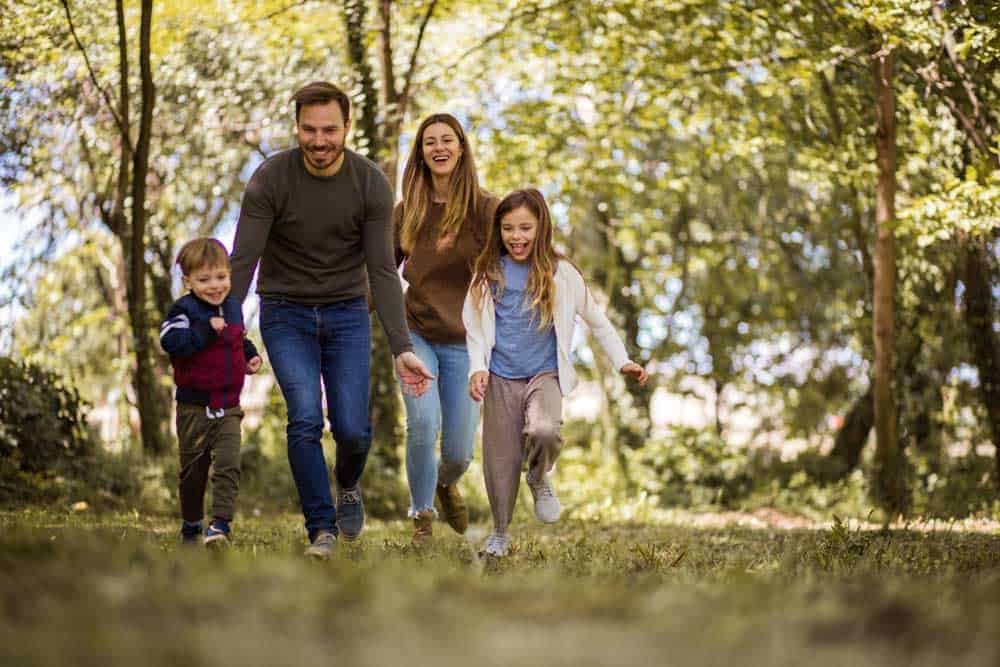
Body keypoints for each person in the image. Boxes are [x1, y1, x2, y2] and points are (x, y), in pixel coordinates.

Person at [229, 81, 433, 559]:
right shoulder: (270, 179)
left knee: (353, 430)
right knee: (303, 418)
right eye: (309, 130)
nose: (319, 141)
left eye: (329, 130)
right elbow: (243, 261)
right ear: (296, 127)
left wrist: (402, 345)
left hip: (346, 312)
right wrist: (230, 325)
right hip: (284, 311)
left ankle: (347, 483)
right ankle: (321, 528)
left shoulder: (369, 184)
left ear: (347, 128)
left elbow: (383, 270)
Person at [463, 188, 648, 558]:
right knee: (500, 462)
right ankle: (499, 534)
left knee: (545, 431)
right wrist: (478, 368)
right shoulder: (488, 274)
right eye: (508, 228)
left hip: (544, 375)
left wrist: (621, 360)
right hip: (500, 376)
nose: (517, 237)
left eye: (525, 228)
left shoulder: (562, 274)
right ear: (498, 231)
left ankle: (538, 475)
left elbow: (597, 322)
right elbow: (474, 328)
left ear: (542, 227)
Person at [393, 113, 498, 544]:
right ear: (420, 153)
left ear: (461, 148)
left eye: (447, 140)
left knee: (457, 451)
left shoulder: (486, 209)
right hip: (417, 331)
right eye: (429, 142)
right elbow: (381, 273)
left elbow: (513, 259)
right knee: (421, 422)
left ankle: (444, 481)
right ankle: (422, 518)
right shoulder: (408, 212)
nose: (438, 148)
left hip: (468, 342)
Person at [160, 237, 264, 547]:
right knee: (193, 473)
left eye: (221, 277)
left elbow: (236, 338)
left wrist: (249, 353)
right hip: (194, 407)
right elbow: (172, 342)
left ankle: (220, 526)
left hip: (229, 406)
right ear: (188, 280)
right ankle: (192, 522)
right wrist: (206, 330)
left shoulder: (233, 307)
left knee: (228, 465)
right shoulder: (183, 309)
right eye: (204, 279)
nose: (215, 285)